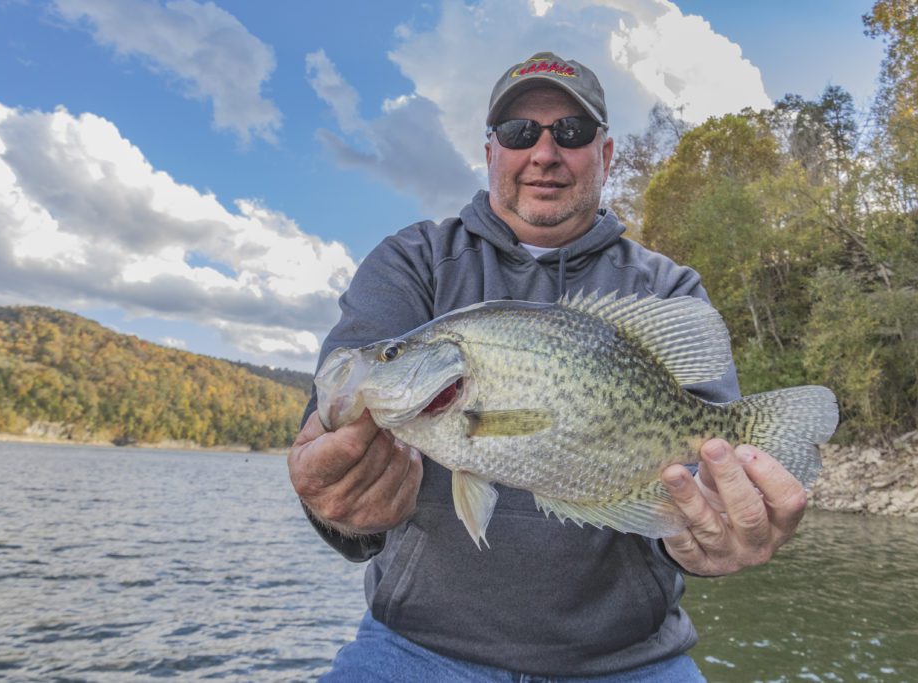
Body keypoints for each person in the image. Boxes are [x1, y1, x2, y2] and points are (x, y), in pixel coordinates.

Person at [288, 52, 808, 682]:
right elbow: (330, 442)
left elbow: (697, 489)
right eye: (518, 132)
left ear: (606, 155)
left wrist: (715, 535)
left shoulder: (666, 287)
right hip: (416, 649)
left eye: (571, 132)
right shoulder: (414, 261)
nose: (543, 152)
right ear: (490, 152)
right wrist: (335, 503)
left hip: (631, 658)